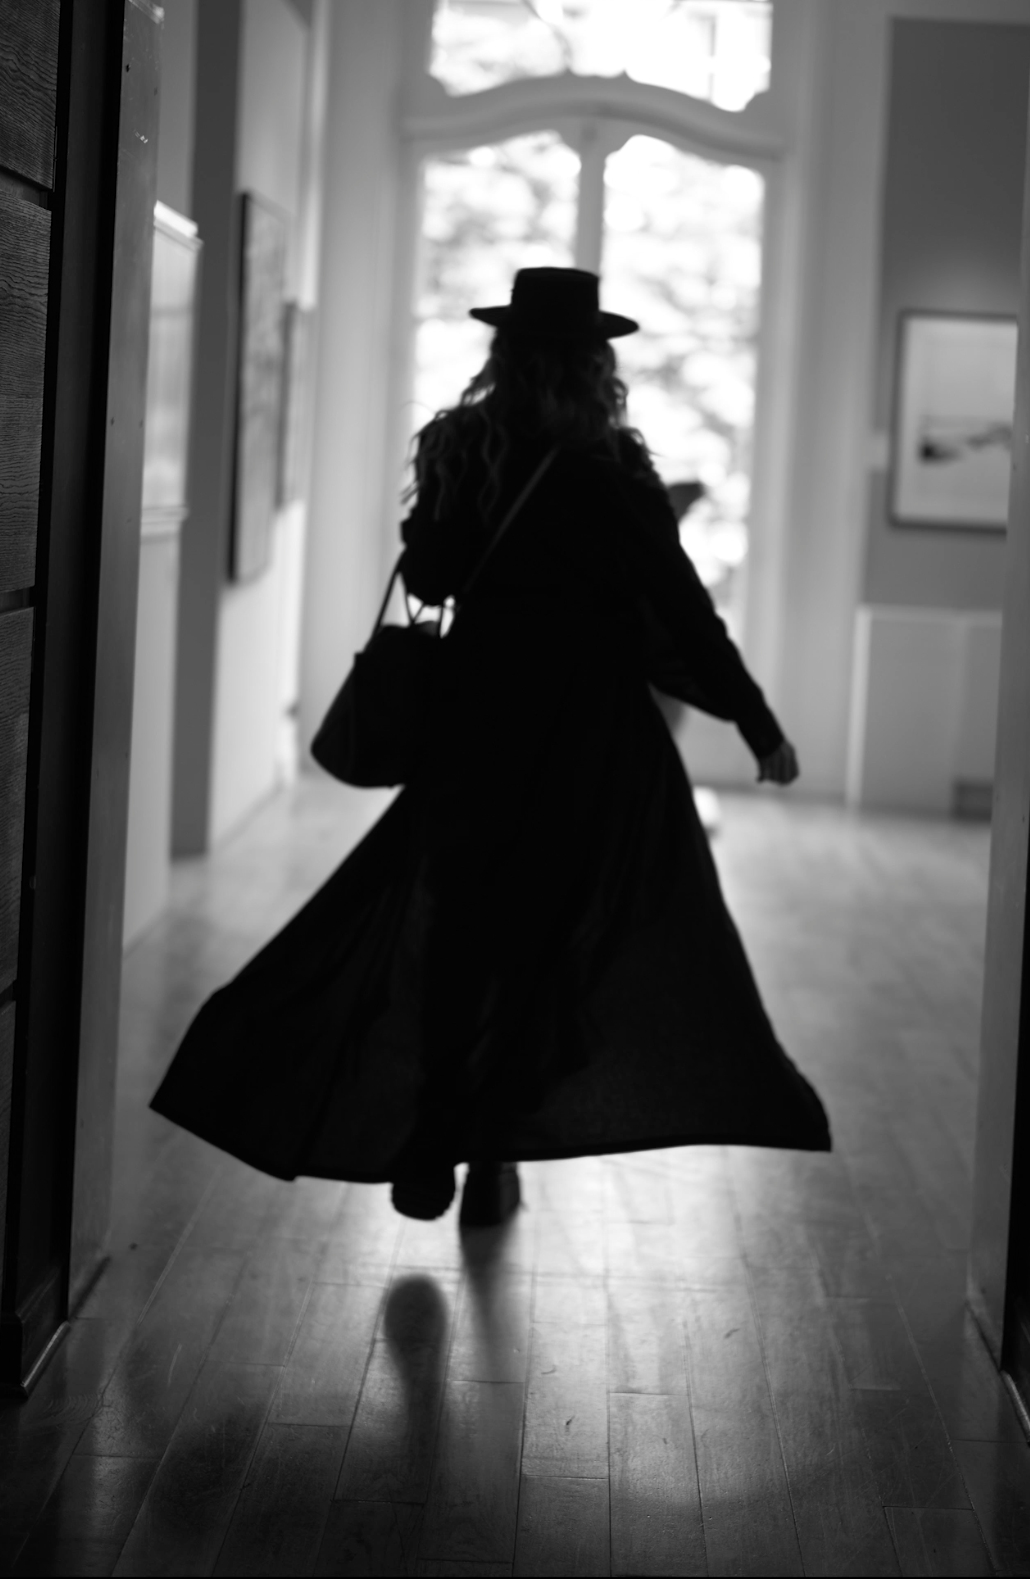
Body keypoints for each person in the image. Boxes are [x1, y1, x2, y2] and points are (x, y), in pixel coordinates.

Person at [151, 267, 829, 1228]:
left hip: (477, 722)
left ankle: (435, 1138)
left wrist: (433, 524)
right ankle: (494, 1152)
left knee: (459, 925)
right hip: (589, 737)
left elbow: (431, 578)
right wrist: (756, 723)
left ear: (504, 352)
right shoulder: (613, 467)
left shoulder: (463, 446)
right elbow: (682, 608)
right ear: (595, 363)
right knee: (544, 936)